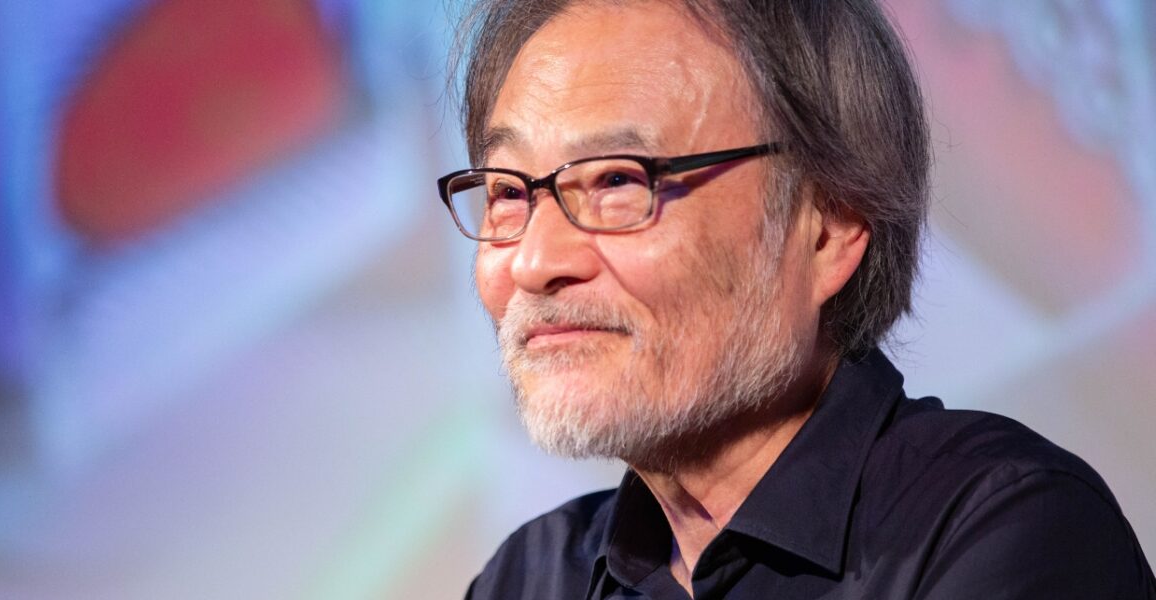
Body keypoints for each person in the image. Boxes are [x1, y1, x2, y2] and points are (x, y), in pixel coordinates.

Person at [438, 0, 1156, 598]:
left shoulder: (1007, 531)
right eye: (507, 192)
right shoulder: (530, 577)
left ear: (829, 227)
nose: (534, 262)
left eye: (618, 181)